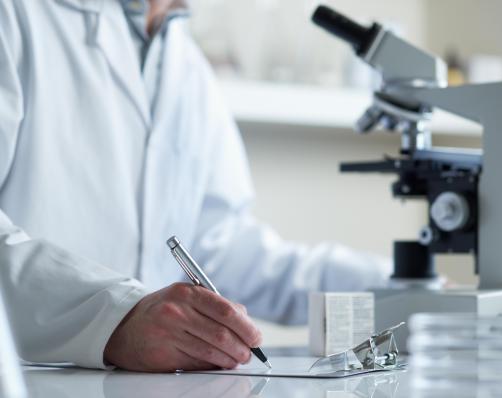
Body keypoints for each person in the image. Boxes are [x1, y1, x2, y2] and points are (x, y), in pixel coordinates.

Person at [0, 0, 390, 372]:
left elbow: (220, 249)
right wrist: (115, 318)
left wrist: (399, 288)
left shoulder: (187, 66)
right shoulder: (15, 15)